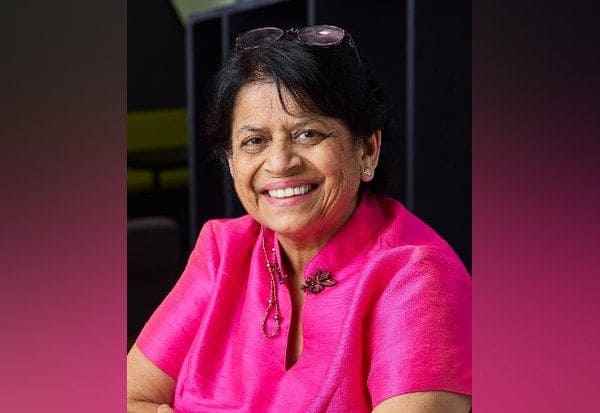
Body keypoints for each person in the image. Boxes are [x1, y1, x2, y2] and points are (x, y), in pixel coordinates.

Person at [127, 25, 471, 413]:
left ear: (367, 150)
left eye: (308, 134)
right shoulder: (222, 251)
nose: (280, 163)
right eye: (254, 141)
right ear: (231, 162)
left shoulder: (418, 275)